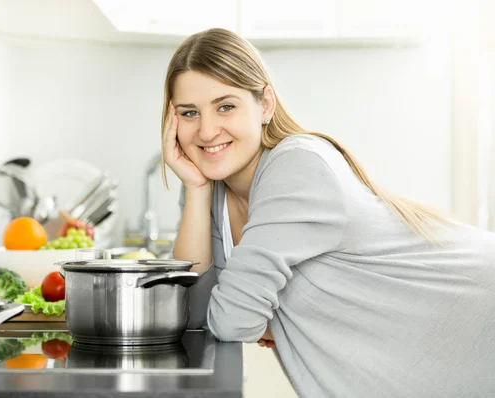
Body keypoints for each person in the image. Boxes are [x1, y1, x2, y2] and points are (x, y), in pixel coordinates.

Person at [160, 27, 495, 397]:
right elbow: (188, 318)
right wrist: (194, 190)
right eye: (189, 113)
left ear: (265, 105)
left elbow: (232, 320)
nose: (207, 131)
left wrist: (258, 314)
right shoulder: (208, 189)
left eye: (226, 106)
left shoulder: (297, 166)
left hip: (477, 322)